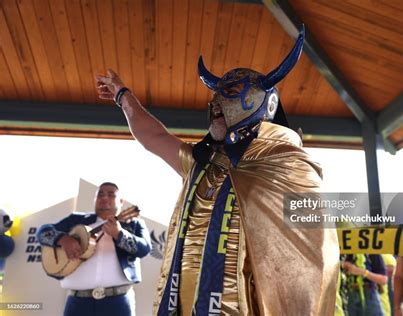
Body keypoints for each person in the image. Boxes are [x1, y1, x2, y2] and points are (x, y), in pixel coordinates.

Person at [96, 27, 339, 315]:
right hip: (183, 301)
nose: (215, 104)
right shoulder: (201, 162)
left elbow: (306, 256)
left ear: (267, 103)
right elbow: (154, 137)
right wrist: (123, 96)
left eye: (231, 94)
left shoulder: (287, 163)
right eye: (215, 98)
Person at [37, 182, 151, 316]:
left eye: (111, 194)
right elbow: (42, 232)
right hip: (77, 302)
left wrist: (119, 234)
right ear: (95, 199)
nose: (104, 198)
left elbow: (144, 249)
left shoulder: (134, 224)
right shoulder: (76, 220)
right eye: (100, 194)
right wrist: (63, 239)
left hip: (118, 302)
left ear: (121, 201)